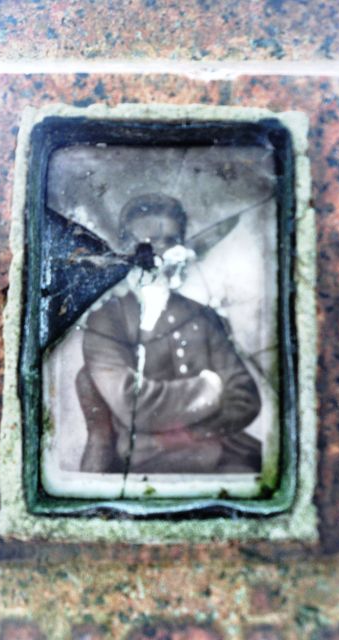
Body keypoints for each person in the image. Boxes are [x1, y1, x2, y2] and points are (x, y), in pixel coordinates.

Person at [77, 193, 262, 474]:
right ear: (127, 249)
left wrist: (192, 433)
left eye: (171, 241)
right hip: (144, 464)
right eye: (148, 244)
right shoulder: (107, 319)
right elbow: (132, 403)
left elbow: (244, 396)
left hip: (222, 455)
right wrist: (209, 389)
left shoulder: (202, 315)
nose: (161, 254)